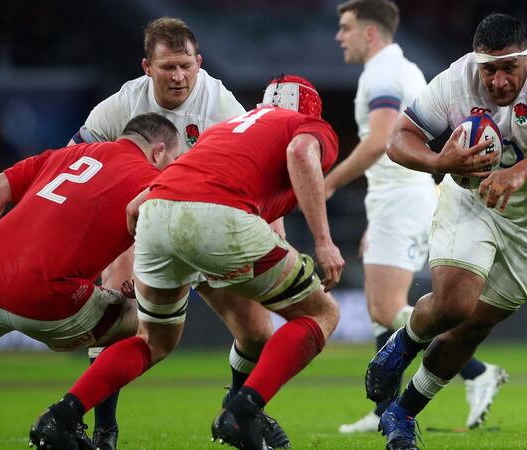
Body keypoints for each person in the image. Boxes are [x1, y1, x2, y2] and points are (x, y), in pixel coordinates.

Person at [29, 75, 344, 450]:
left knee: (154, 340)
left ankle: (61, 416)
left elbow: (134, 207)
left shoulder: (224, 129)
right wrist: (323, 242)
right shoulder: (308, 127)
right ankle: (243, 412)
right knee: (320, 314)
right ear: (312, 111)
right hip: (218, 219)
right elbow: (299, 154)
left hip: (156, 214)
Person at [364, 13, 527, 449]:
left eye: (510, 69)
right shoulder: (455, 80)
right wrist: (437, 163)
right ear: (476, 61)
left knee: (473, 328)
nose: (500, 80)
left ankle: (403, 412)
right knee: (454, 305)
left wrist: (519, 173)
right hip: (471, 203)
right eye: (490, 69)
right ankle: (403, 345)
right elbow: (399, 139)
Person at [69, 17, 289, 449]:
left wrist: (274, 237)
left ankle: (238, 411)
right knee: (116, 316)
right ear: (147, 67)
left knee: (258, 332)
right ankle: (104, 431)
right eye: (168, 66)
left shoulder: (219, 101)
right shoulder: (120, 107)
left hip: (207, 226)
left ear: (199, 62)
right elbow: (75, 167)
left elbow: (261, 170)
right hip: (143, 227)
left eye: (186, 65)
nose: (179, 76)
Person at [0, 114, 180, 417]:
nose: (173, 168)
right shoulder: (152, 179)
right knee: (158, 329)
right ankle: (69, 416)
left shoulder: (64, 155)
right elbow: (158, 235)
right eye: (174, 159)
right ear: (158, 151)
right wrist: (141, 283)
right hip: (49, 299)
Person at [330, 0, 508, 434]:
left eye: (346, 27)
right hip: (400, 198)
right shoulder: (400, 67)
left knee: (384, 305)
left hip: (401, 199)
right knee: (379, 311)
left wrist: (329, 182)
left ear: (371, 33)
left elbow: (380, 141)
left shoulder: (383, 73)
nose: (340, 36)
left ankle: (475, 369)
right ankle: (381, 410)